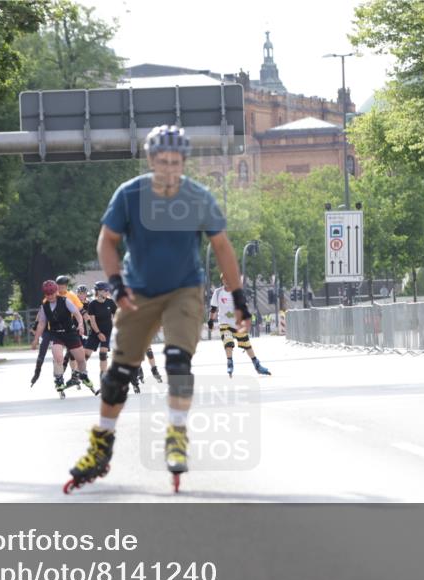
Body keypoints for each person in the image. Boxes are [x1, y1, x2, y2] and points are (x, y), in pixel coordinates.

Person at [65, 125, 251, 493]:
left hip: (184, 288)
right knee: (118, 374)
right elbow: (108, 240)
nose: (169, 169)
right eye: (162, 162)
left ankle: (176, 434)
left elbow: (223, 247)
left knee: (179, 361)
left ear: (184, 162)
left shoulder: (198, 196)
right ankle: (101, 446)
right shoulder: (130, 194)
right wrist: (115, 283)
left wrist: (240, 298)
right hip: (138, 290)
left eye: (176, 162)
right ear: (151, 161)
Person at [31, 279, 96, 396]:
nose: (50, 296)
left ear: (56, 291)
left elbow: (77, 314)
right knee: (58, 357)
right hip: (56, 334)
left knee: (80, 359)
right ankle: (59, 379)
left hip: (70, 332)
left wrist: (81, 325)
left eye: (52, 293)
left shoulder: (65, 301)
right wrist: (36, 339)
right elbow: (41, 323)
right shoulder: (45, 306)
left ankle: (84, 375)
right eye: (47, 294)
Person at [210, 276, 272, 377]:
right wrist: (211, 320)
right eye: (224, 279)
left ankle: (257, 365)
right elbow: (213, 308)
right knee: (228, 342)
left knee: (247, 345)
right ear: (222, 280)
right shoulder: (218, 292)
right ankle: (230, 363)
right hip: (224, 323)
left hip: (237, 323)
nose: (227, 281)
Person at [83, 281, 116, 375]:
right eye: (105, 290)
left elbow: (117, 315)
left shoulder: (110, 302)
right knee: (86, 355)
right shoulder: (92, 304)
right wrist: (98, 333)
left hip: (107, 332)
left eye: (108, 290)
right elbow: (92, 321)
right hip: (95, 332)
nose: (108, 292)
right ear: (99, 291)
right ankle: (77, 374)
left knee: (103, 353)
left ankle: (103, 375)